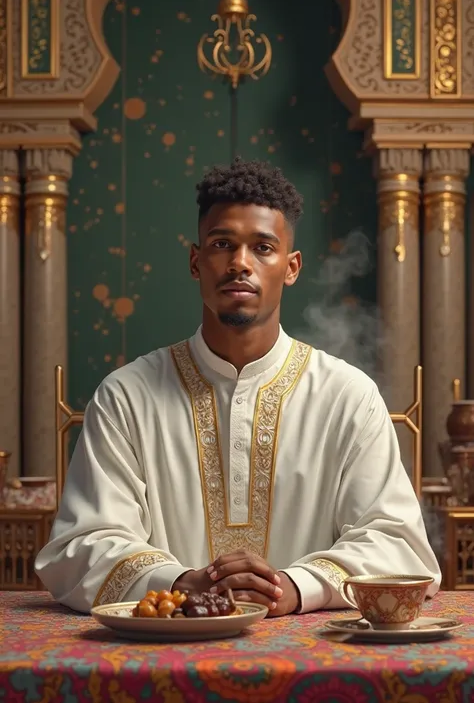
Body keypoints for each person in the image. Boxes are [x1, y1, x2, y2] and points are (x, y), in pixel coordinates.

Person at [35, 158, 441, 615]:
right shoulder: (126, 397)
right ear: (196, 260)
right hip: (162, 660)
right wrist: (183, 583)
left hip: (311, 666)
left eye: (263, 247)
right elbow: (82, 544)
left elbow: (399, 546)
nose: (240, 263)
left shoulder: (348, 397)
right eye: (222, 243)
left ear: (291, 267)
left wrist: (292, 586)